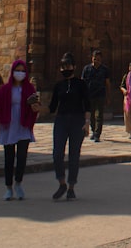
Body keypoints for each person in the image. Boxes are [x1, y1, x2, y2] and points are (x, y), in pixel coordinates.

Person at [0, 59, 41, 200]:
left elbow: (35, 106)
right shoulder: (6, 89)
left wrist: (36, 107)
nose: (19, 73)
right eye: (17, 70)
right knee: (9, 158)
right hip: (9, 125)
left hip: (23, 125)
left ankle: (18, 184)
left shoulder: (29, 89)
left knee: (21, 157)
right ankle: (8, 187)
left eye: (22, 71)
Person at [48, 52, 91, 200]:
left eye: (68, 66)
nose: (65, 69)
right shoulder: (58, 86)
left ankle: (71, 186)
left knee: (74, 155)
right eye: (63, 66)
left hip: (77, 120)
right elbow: (52, 107)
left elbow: (87, 104)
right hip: (61, 119)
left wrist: (87, 123)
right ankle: (61, 183)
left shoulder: (81, 84)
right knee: (57, 153)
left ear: (74, 67)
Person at [81, 49, 111, 142]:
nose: (96, 61)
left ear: (101, 59)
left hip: (100, 94)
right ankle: (94, 131)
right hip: (89, 94)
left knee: (99, 115)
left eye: (98, 59)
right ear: (92, 58)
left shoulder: (104, 69)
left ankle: (97, 134)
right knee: (91, 115)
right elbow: (82, 81)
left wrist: (108, 96)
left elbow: (107, 83)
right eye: (95, 59)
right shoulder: (87, 69)